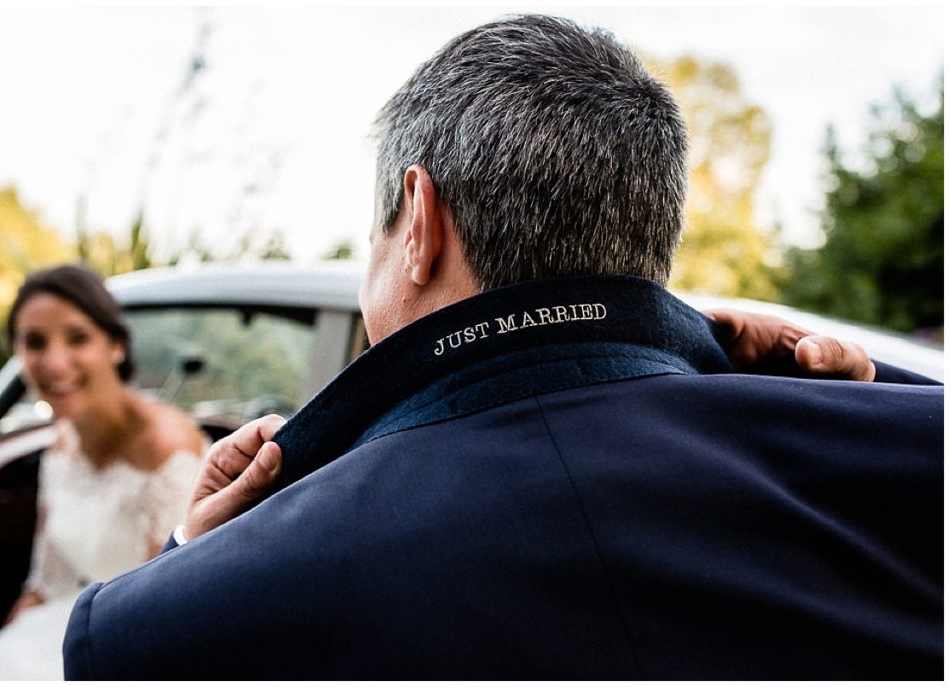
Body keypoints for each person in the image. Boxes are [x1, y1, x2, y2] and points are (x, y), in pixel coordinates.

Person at [64, 16, 942, 680]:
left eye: (369, 240)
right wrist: (867, 397)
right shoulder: (911, 460)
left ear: (419, 222)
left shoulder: (174, 624)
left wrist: (191, 554)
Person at [0, 263, 207, 680]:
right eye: (35, 342)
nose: (54, 363)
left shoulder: (168, 450)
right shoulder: (58, 444)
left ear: (115, 345)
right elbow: (42, 586)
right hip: (55, 631)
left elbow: (165, 620)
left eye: (77, 338)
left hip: (123, 652)